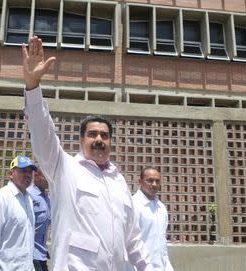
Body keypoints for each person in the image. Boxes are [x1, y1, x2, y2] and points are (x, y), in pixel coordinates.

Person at [21, 36, 153, 271]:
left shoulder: (119, 181)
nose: (99, 139)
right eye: (92, 134)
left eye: (104, 135)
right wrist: (33, 88)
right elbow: (43, 133)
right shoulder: (65, 168)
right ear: (81, 140)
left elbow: (132, 239)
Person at [0, 155, 37, 271]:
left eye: (30, 171)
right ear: (11, 174)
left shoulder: (28, 199)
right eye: (23, 171)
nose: (28, 174)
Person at [130, 167, 174, 271]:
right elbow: (131, 242)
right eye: (150, 180)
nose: (154, 184)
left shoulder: (161, 207)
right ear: (140, 181)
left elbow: (162, 243)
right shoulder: (133, 205)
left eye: (157, 181)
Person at [27, 170, 51, 271]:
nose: (49, 180)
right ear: (36, 176)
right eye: (46, 177)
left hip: (41, 252)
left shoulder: (47, 197)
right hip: (30, 253)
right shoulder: (29, 195)